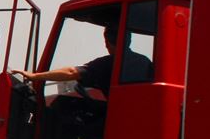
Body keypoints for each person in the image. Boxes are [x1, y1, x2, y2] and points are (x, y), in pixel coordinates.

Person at [16, 23, 149, 98]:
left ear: (107, 43)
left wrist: (35, 76)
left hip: (120, 120)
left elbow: (71, 72)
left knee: (85, 136)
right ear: (129, 40)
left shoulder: (107, 64)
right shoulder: (145, 62)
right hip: (137, 119)